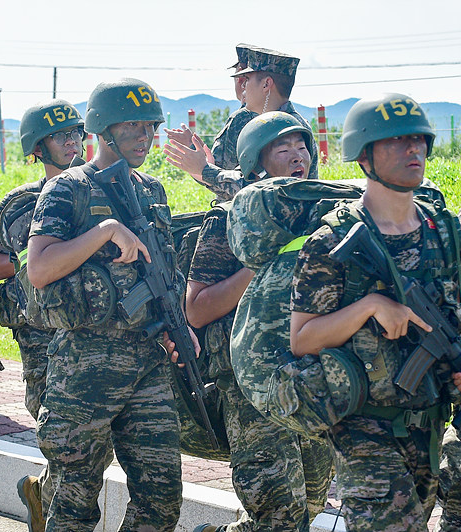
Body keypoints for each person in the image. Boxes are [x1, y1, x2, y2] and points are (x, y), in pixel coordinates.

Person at [290, 94, 461, 531]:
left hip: (429, 420)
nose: (413, 151)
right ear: (364, 156)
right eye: (397, 141)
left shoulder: (446, 232)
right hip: (365, 428)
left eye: (419, 141)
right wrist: (370, 306)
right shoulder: (334, 241)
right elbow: (303, 338)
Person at [28, 78, 193, 531]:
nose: (145, 137)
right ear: (102, 129)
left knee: (161, 499)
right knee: (75, 504)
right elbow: (38, 269)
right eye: (133, 127)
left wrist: (178, 325)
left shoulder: (153, 189)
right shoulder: (69, 188)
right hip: (85, 369)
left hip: (148, 363)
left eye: (150, 127)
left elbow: (164, 270)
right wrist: (103, 231)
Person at [188, 112, 333, 532]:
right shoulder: (230, 219)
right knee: (279, 511)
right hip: (250, 382)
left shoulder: (320, 214)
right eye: (281, 148)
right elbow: (196, 307)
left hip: (309, 376)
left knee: (311, 501)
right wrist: (268, 261)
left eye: (301, 146)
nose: (296, 156)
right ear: (255, 162)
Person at [0, 98, 86, 531]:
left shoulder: (103, 192)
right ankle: (46, 498)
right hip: (40, 334)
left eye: (76, 133)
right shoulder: (21, 202)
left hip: (90, 330)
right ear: (38, 148)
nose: (72, 142)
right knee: (56, 430)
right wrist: (37, 258)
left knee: (86, 437)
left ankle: (43, 494)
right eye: (61, 136)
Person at [165, 45, 317, 202]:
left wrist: (205, 170)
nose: (243, 86)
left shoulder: (289, 129)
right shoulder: (294, 126)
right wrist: (201, 162)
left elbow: (256, 189)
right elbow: (220, 175)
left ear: (266, 84)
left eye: (248, 79)